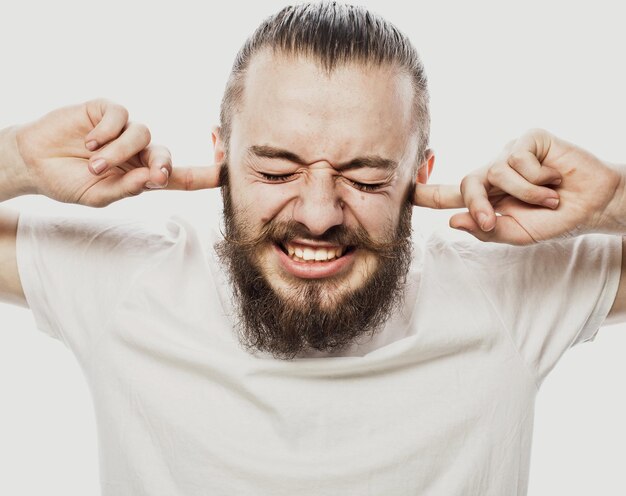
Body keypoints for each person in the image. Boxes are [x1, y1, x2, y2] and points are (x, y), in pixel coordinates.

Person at [0, 2, 624, 495]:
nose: (319, 215)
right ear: (221, 157)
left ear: (419, 173)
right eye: (275, 172)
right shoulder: (130, 286)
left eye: (367, 179)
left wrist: (611, 199)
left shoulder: (506, 298)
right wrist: (19, 161)